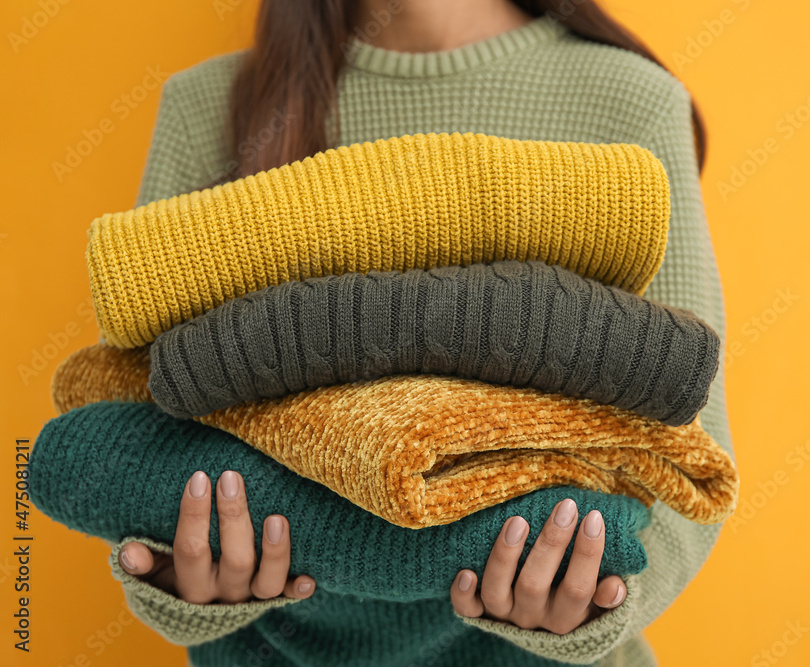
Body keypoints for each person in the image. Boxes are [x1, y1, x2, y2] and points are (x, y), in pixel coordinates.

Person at [108, 1, 735, 664]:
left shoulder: (627, 103)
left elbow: (691, 458)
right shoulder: (206, 106)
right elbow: (134, 430)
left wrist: (599, 597)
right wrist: (176, 578)